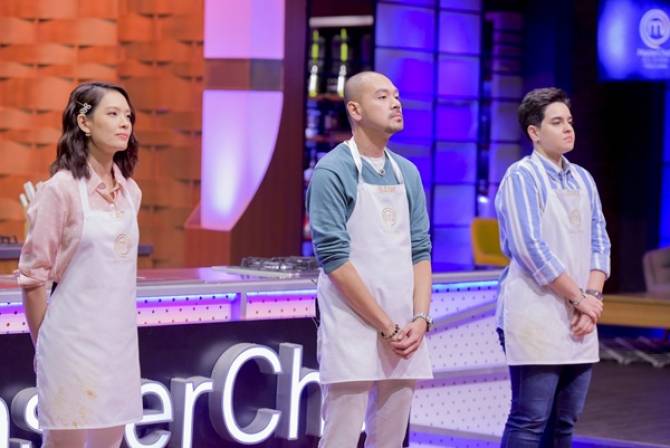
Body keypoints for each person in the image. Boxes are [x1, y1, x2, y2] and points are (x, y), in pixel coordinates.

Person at [306, 71, 433, 448]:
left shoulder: (407, 172)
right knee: (341, 435)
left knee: (391, 439)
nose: (396, 103)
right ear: (355, 110)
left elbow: (420, 251)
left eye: (396, 96)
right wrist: (385, 326)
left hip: (405, 328)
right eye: (382, 97)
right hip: (352, 323)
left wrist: (420, 319)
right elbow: (334, 260)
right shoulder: (332, 171)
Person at [18, 82, 143, 448]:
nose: (124, 123)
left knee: (111, 441)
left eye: (128, 115)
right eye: (113, 114)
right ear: (84, 122)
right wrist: (45, 345)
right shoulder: (61, 189)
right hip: (69, 345)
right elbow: (33, 278)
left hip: (119, 344)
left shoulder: (131, 192)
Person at [495, 87, 611, 447]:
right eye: (557, 122)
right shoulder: (522, 176)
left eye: (569, 121)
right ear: (534, 131)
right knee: (529, 419)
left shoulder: (583, 178)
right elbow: (530, 248)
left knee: (564, 422)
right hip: (536, 312)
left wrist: (591, 298)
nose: (568, 129)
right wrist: (579, 299)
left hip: (581, 314)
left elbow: (600, 241)